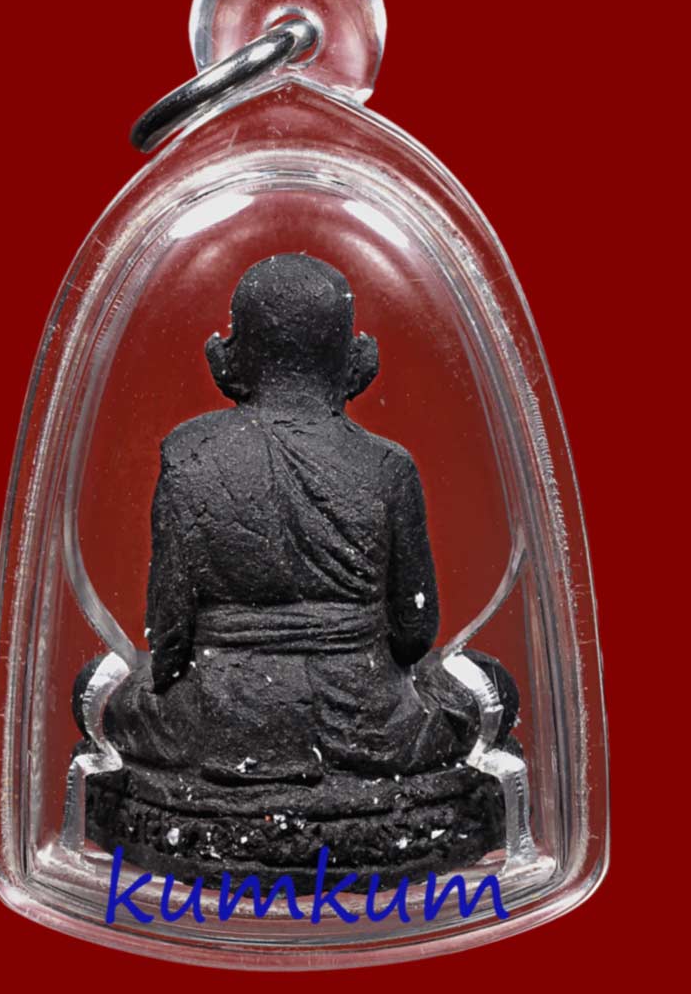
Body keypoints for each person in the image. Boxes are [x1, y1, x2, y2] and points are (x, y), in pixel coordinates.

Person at [78, 252, 516, 785]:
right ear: (350, 357)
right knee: (489, 685)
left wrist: (175, 681)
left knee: (97, 687)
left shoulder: (189, 453)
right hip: (367, 720)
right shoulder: (388, 466)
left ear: (234, 355)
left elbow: (168, 639)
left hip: (219, 719)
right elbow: (413, 635)